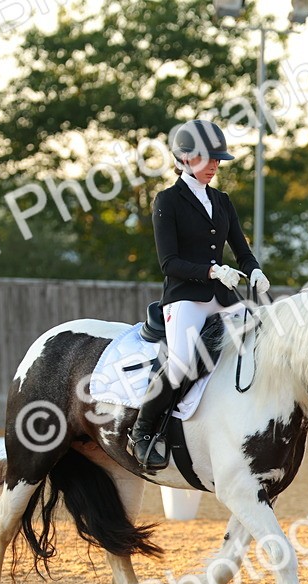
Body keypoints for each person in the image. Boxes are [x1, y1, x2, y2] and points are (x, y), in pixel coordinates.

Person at [127, 119, 271, 470]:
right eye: (208, 159)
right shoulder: (168, 201)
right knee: (179, 362)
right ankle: (143, 431)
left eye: (217, 160)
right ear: (185, 158)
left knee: (260, 340)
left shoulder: (221, 201)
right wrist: (209, 270)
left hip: (222, 298)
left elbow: (240, 247)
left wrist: (254, 269)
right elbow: (168, 262)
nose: (214, 166)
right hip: (185, 298)